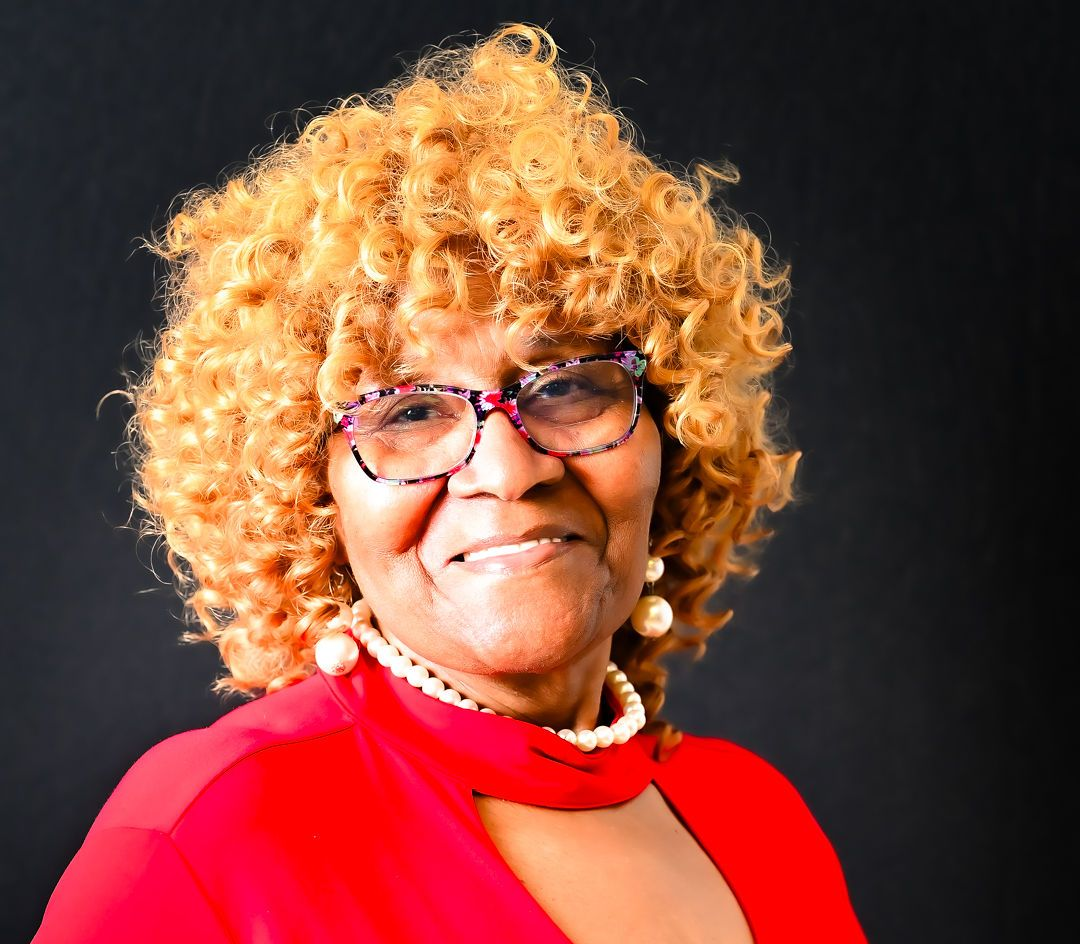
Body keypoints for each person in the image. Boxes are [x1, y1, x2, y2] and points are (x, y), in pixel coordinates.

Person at [33, 23, 866, 943]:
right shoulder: (207, 834)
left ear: (673, 437)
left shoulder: (757, 820)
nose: (508, 471)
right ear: (313, 502)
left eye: (566, 386)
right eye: (408, 413)